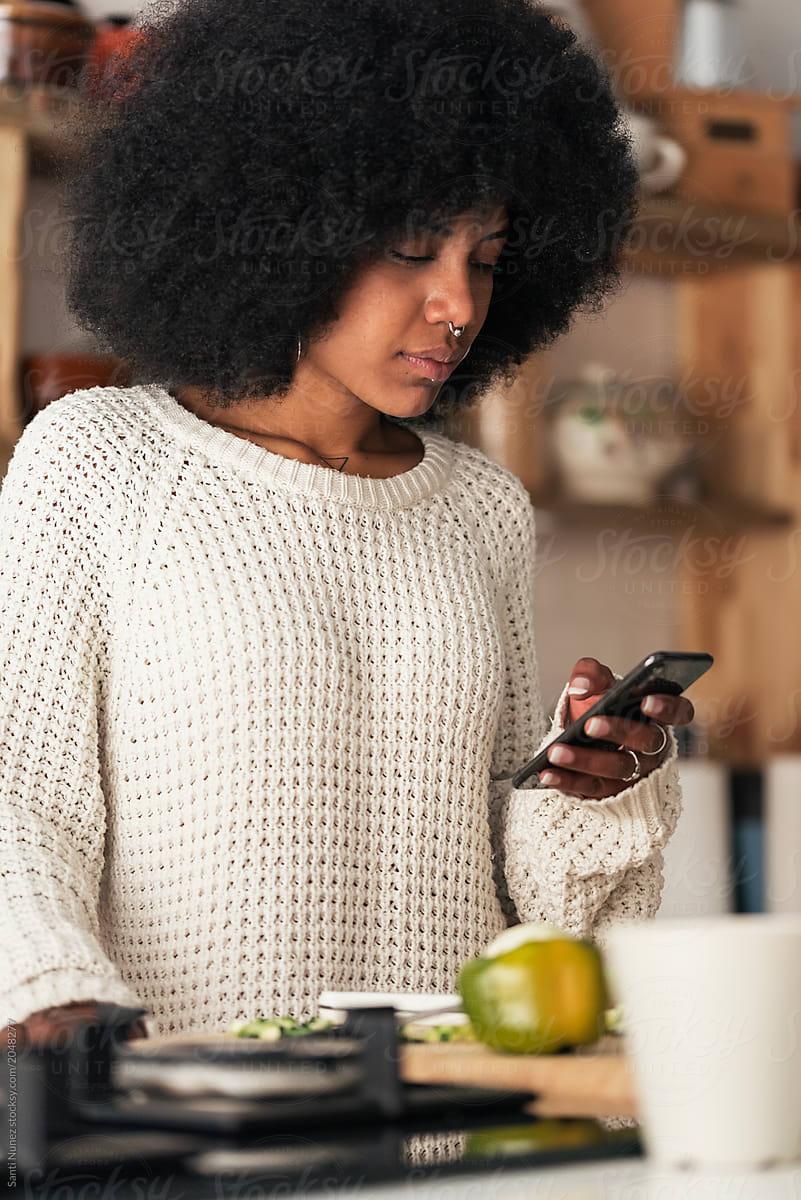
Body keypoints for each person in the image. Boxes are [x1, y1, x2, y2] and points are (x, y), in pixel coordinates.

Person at [0, 0, 691, 1046]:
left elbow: (526, 903)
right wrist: (52, 996)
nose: (458, 304)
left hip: (445, 1117)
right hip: (195, 1120)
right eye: (413, 248)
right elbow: (22, 801)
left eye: (487, 256)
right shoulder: (97, 460)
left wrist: (587, 794)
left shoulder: (480, 508)